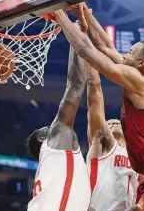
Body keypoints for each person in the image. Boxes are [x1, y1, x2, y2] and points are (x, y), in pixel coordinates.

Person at [52, 4, 144, 210]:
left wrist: (58, 14)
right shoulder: (143, 79)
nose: (124, 54)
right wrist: (84, 14)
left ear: (141, 63)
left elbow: (87, 51)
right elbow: (106, 47)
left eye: (130, 52)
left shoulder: (140, 83)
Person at [26, 43, 91, 211]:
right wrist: (75, 37)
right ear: (43, 139)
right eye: (47, 127)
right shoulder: (55, 141)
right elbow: (76, 83)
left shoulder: (53, 169)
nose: (53, 125)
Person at [86, 64, 139, 211]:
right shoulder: (101, 145)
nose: (114, 123)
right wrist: (91, 60)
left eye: (117, 123)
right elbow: (94, 98)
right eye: (109, 124)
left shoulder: (137, 159)